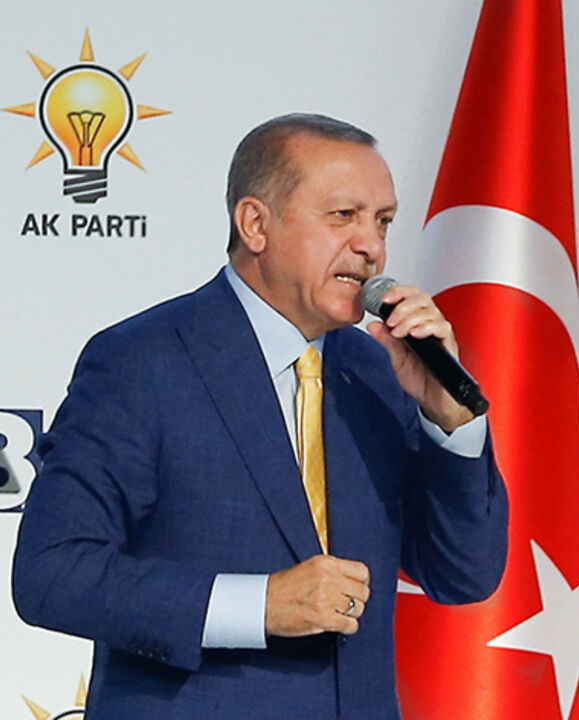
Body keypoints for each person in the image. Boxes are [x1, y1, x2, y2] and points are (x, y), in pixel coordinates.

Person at [11, 113, 509, 719]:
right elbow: (51, 574)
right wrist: (260, 606)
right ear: (255, 224)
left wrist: (451, 424)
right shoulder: (143, 360)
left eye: (382, 221)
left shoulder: (378, 370)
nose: (371, 246)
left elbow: (465, 575)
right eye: (342, 216)